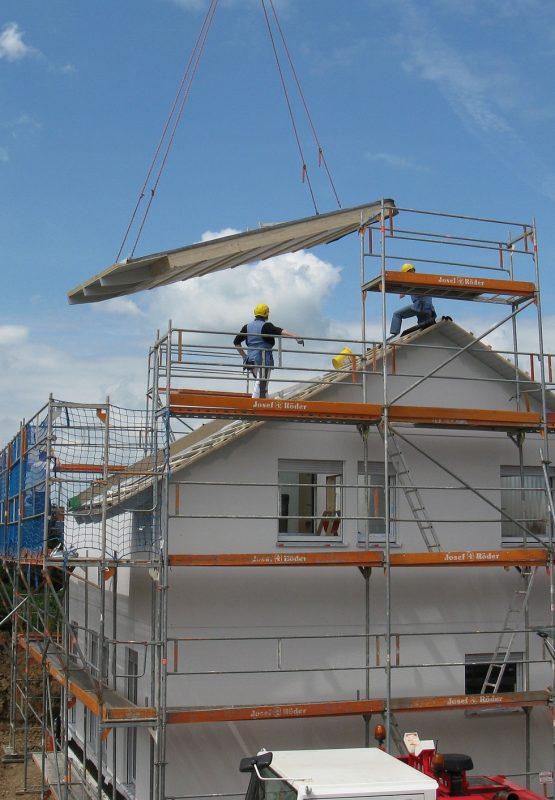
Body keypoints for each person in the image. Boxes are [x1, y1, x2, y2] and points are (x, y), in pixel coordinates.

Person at [234, 303, 304, 398]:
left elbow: (236, 342)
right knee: (260, 385)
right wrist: (295, 336)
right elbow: (279, 331)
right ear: (266, 314)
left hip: (251, 361)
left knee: (262, 384)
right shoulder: (266, 326)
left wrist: (245, 357)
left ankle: (264, 401)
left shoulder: (246, 327)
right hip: (263, 360)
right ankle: (254, 404)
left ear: (255, 313)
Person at [389, 262, 436, 337]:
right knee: (424, 328)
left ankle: (395, 334)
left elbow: (405, 288)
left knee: (397, 314)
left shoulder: (414, 280)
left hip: (420, 306)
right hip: (428, 309)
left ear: (409, 272)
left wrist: (402, 289)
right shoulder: (421, 279)